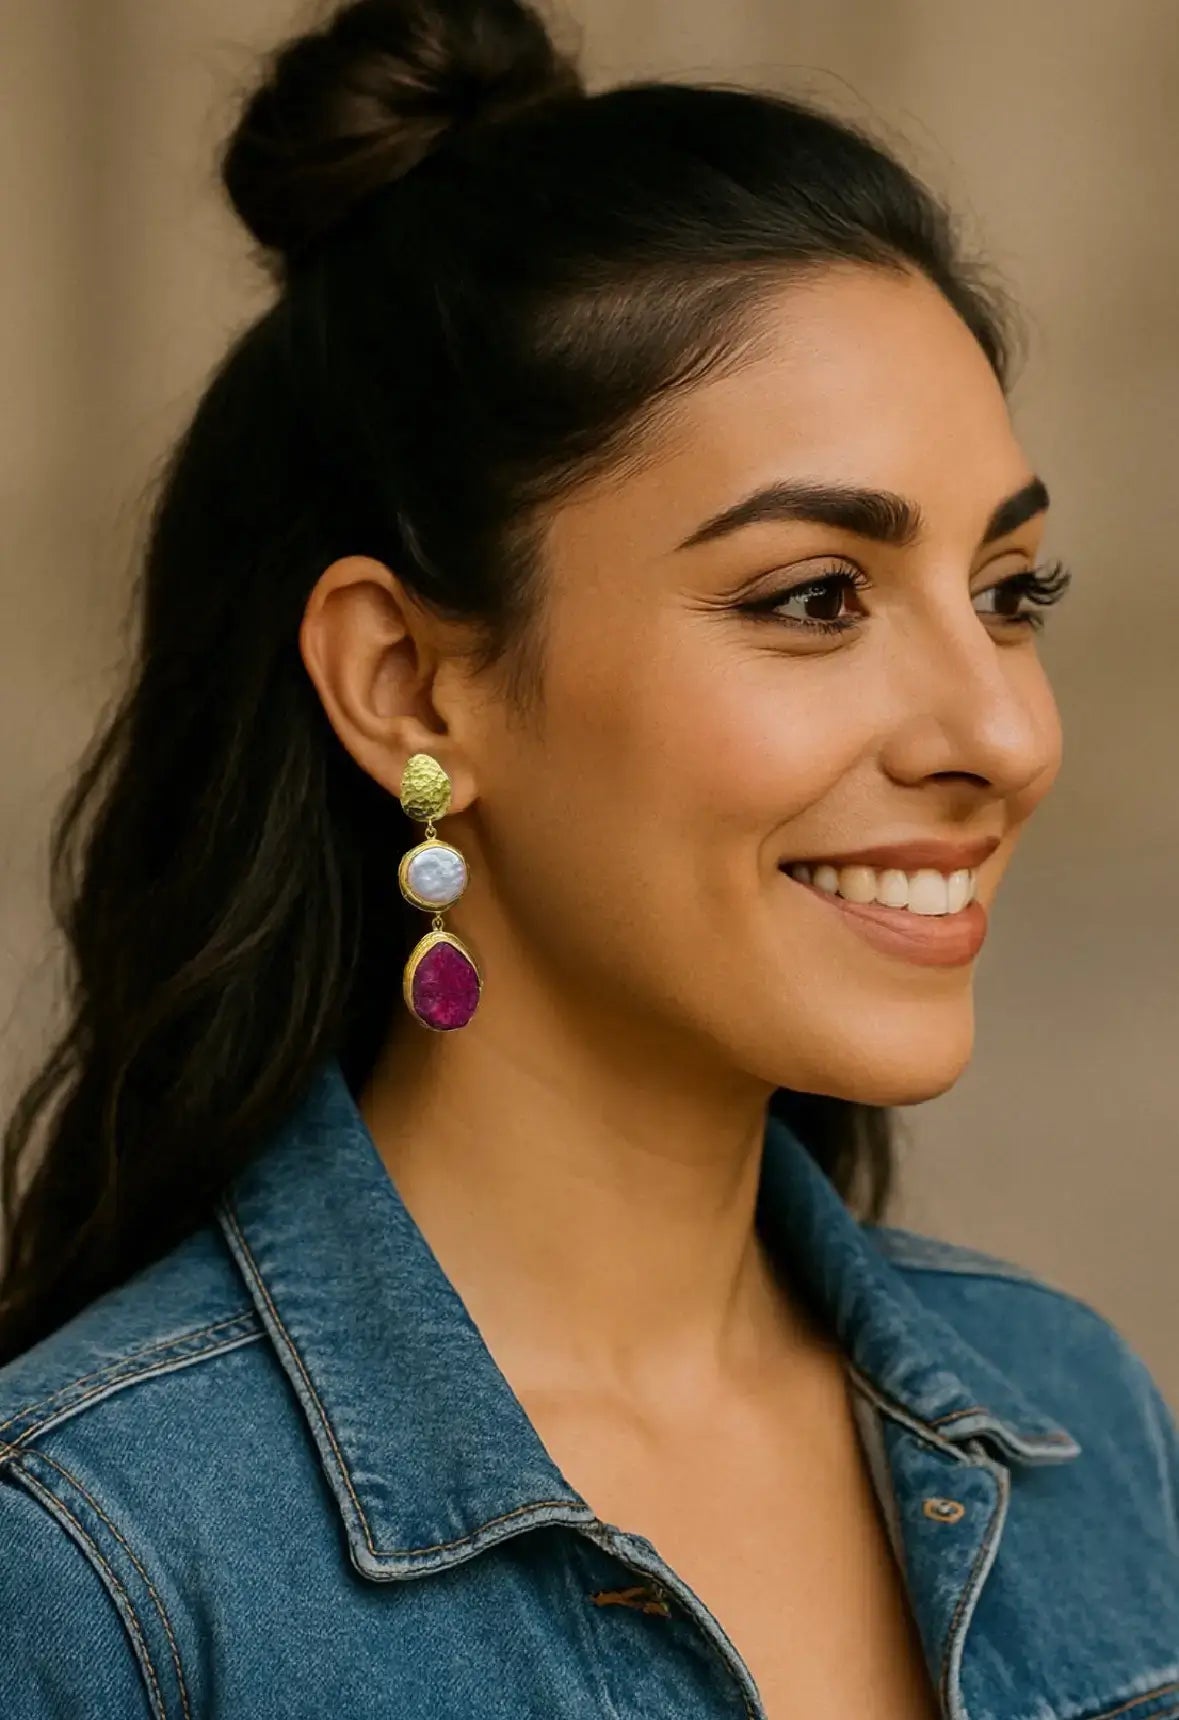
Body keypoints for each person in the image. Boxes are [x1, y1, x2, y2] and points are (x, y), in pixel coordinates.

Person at [1, 0, 1176, 1714]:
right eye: (814, 599)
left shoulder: (1075, 1422)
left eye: (1011, 596)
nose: (1001, 734)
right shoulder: (97, 1558)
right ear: (409, 685)